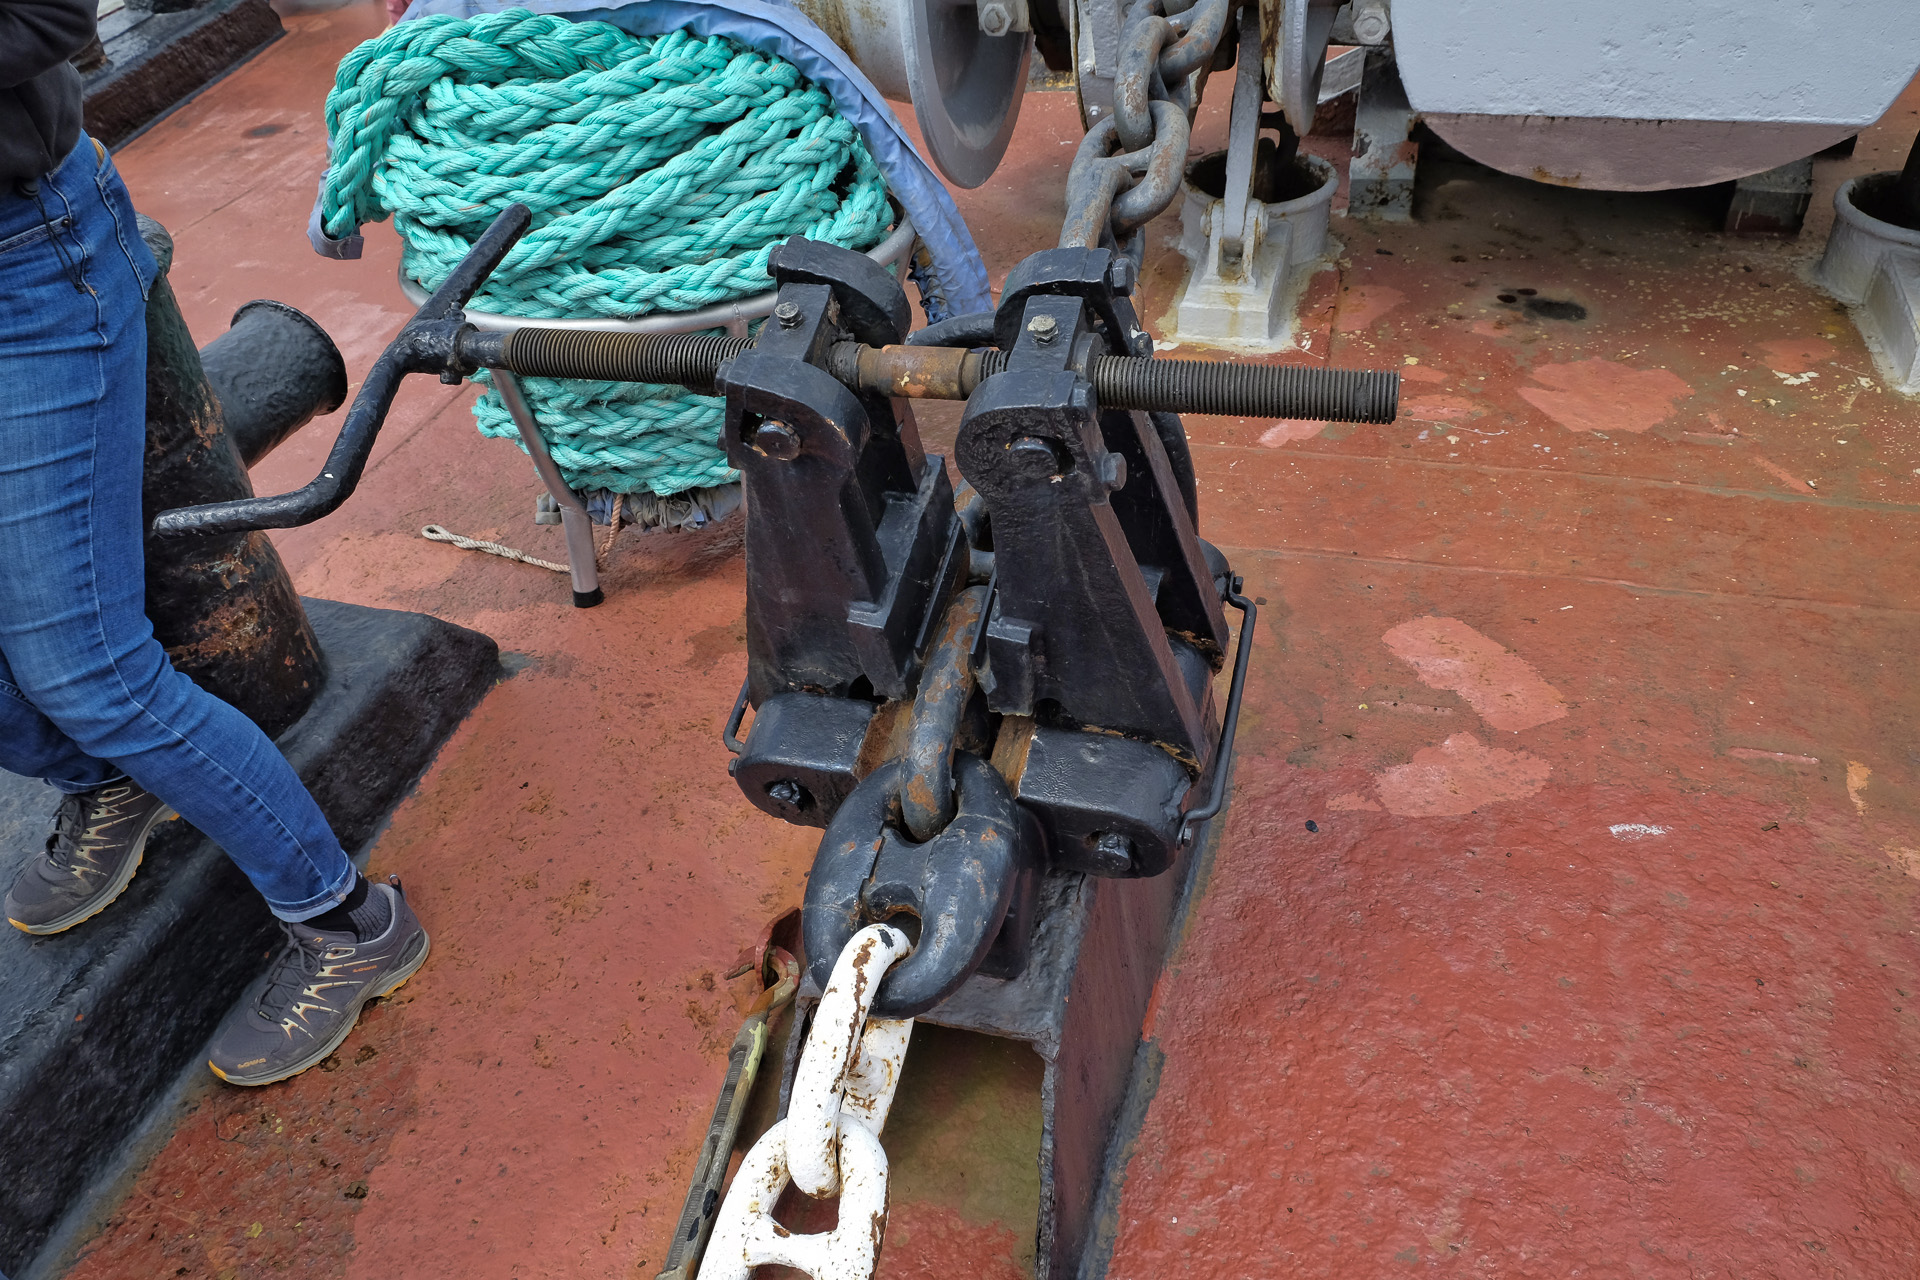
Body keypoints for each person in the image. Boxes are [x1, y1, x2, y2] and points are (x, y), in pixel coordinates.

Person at [0, 0, 429, 1086]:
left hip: (23, 261)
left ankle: (350, 923)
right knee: (58, 684)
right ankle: (104, 773)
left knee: (88, 667)